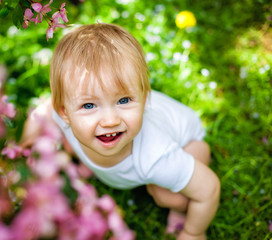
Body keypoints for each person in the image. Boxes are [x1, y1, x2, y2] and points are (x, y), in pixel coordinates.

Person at [20, 23, 220, 240]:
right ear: (65, 111)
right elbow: (41, 111)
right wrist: (27, 143)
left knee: (167, 196)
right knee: (66, 145)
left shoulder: (156, 155)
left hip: (186, 141)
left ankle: (181, 208)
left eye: (124, 100)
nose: (109, 121)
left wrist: (194, 232)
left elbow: (209, 189)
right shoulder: (60, 115)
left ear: (144, 101)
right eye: (89, 105)